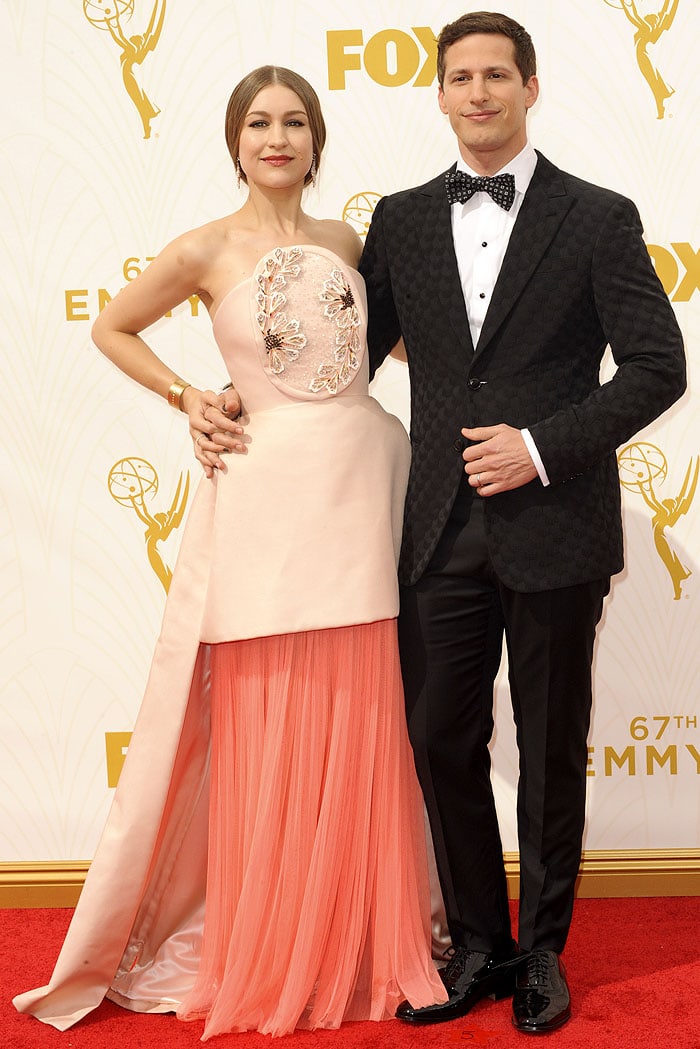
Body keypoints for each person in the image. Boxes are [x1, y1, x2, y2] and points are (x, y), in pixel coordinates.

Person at [13, 65, 446, 1038]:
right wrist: (188, 396)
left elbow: (395, 348)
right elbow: (111, 325)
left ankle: (362, 935)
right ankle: (273, 939)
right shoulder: (203, 247)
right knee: (266, 713)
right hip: (262, 494)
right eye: (260, 122)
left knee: (365, 710)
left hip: (362, 479)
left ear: (317, 137)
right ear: (234, 138)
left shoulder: (345, 242)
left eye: (295, 120)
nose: (278, 137)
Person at [358, 11, 686, 1036]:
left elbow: (656, 365)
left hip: (554, 520)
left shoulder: (597, 215)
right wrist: (239, 403)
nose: (478, 92)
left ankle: (542, 951)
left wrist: (541, 445)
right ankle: (479, 945)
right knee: (438, 739)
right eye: (459, 77)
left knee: (548, 751)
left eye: (497, 74)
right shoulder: (402, 221)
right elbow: (347, 359)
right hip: (435, 530)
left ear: (529, 87)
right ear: (441, 93)